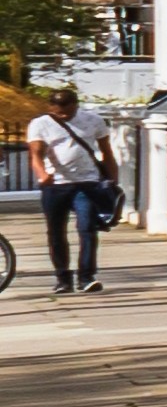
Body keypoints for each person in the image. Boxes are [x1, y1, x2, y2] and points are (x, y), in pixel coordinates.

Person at [24, 103, 107, 290]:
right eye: (57, 112)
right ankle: (63, 278)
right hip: (56, 186)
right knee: (56, 232)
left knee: (87, 229)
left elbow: (106, 149)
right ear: (51, 107)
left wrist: (112, 177)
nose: (62, 115)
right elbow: (35, 154)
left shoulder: (93, 120)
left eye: (67, 111)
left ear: (75, 106)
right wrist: (42, 174)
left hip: (87, 183)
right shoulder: (40, 123)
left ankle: (86, 277)